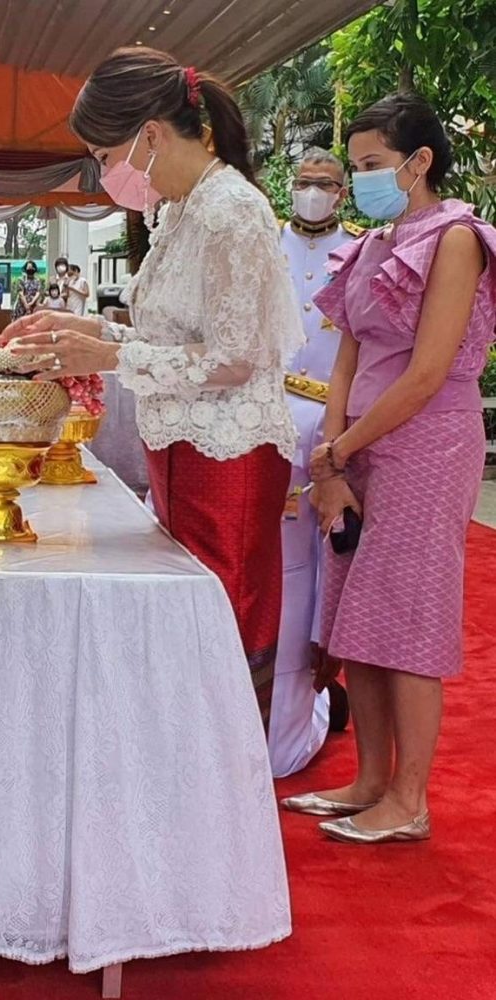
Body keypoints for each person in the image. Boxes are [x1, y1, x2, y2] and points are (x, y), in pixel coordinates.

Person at [2, 48, 303, 725]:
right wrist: (76, 324)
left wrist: (105, 353)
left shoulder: (233, 211)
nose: (104, 173)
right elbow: (166, 329)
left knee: (219, 630)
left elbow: (235, 359)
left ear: (152, 136)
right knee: (182, 630)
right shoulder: (181, 210)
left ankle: (226, 795)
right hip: (181, 446)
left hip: (229, 455)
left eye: (104, 156)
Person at [283, 93, 496, 843]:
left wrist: (340, 448)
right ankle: (372, 779)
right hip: (358, 448)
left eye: (371, 166)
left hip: (428, 445)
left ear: (419, 162)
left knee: (405, 616)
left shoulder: (457, 238)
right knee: (354, 613)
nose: (359, 180)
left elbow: (427, 371)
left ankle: (410, 799)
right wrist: (332, 451)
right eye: (355, 166)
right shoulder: (374, 245)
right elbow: (347, 353)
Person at [268, 149, 361, 778]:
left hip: (332, 426)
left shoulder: (360, 253)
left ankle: (313, 700)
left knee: (321, 566)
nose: (312, 193)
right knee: (273, 560)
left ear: (343, 192)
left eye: (324, 184)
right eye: (303, 183)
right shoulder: (264, 244)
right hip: (263, 418)